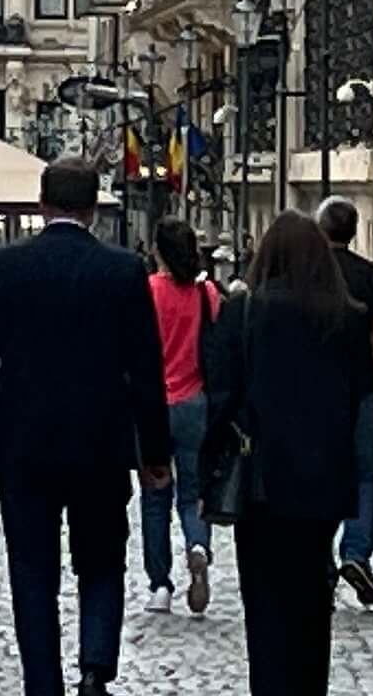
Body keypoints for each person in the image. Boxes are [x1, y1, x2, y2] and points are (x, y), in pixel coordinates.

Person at [0, 162, 168, 696]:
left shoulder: (4, 269)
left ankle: (43, 682)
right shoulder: (122, 270)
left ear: (40, 203)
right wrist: (155, 450)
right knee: (102, 558)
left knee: (32, 570)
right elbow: (146, 369)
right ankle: (96, 665)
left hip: (24, 445)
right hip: (100, 442)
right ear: (94, 207)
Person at [199, 209, 373, 696]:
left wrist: (206, 471)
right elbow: (362, 396)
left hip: (261, 479)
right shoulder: (347, 317)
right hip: (323, 480)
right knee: (314, 596)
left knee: (265, 600)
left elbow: (222, 396)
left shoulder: (245, 311)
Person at [316, 196, 373, 605]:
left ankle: (320, 558)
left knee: (318, 473)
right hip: (360, 390)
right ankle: (356, 553)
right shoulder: (369, 276)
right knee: (364, 474)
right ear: (353, 232)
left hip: (315, 394)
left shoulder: (308, 275)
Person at [138, 219, 218, 616]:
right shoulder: (207, 294)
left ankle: (160, 584)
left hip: (154, 404)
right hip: (195, 402)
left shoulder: (148, 292)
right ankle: (198, 544)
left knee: (155, 496)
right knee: (193, 492)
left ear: (158, 251)